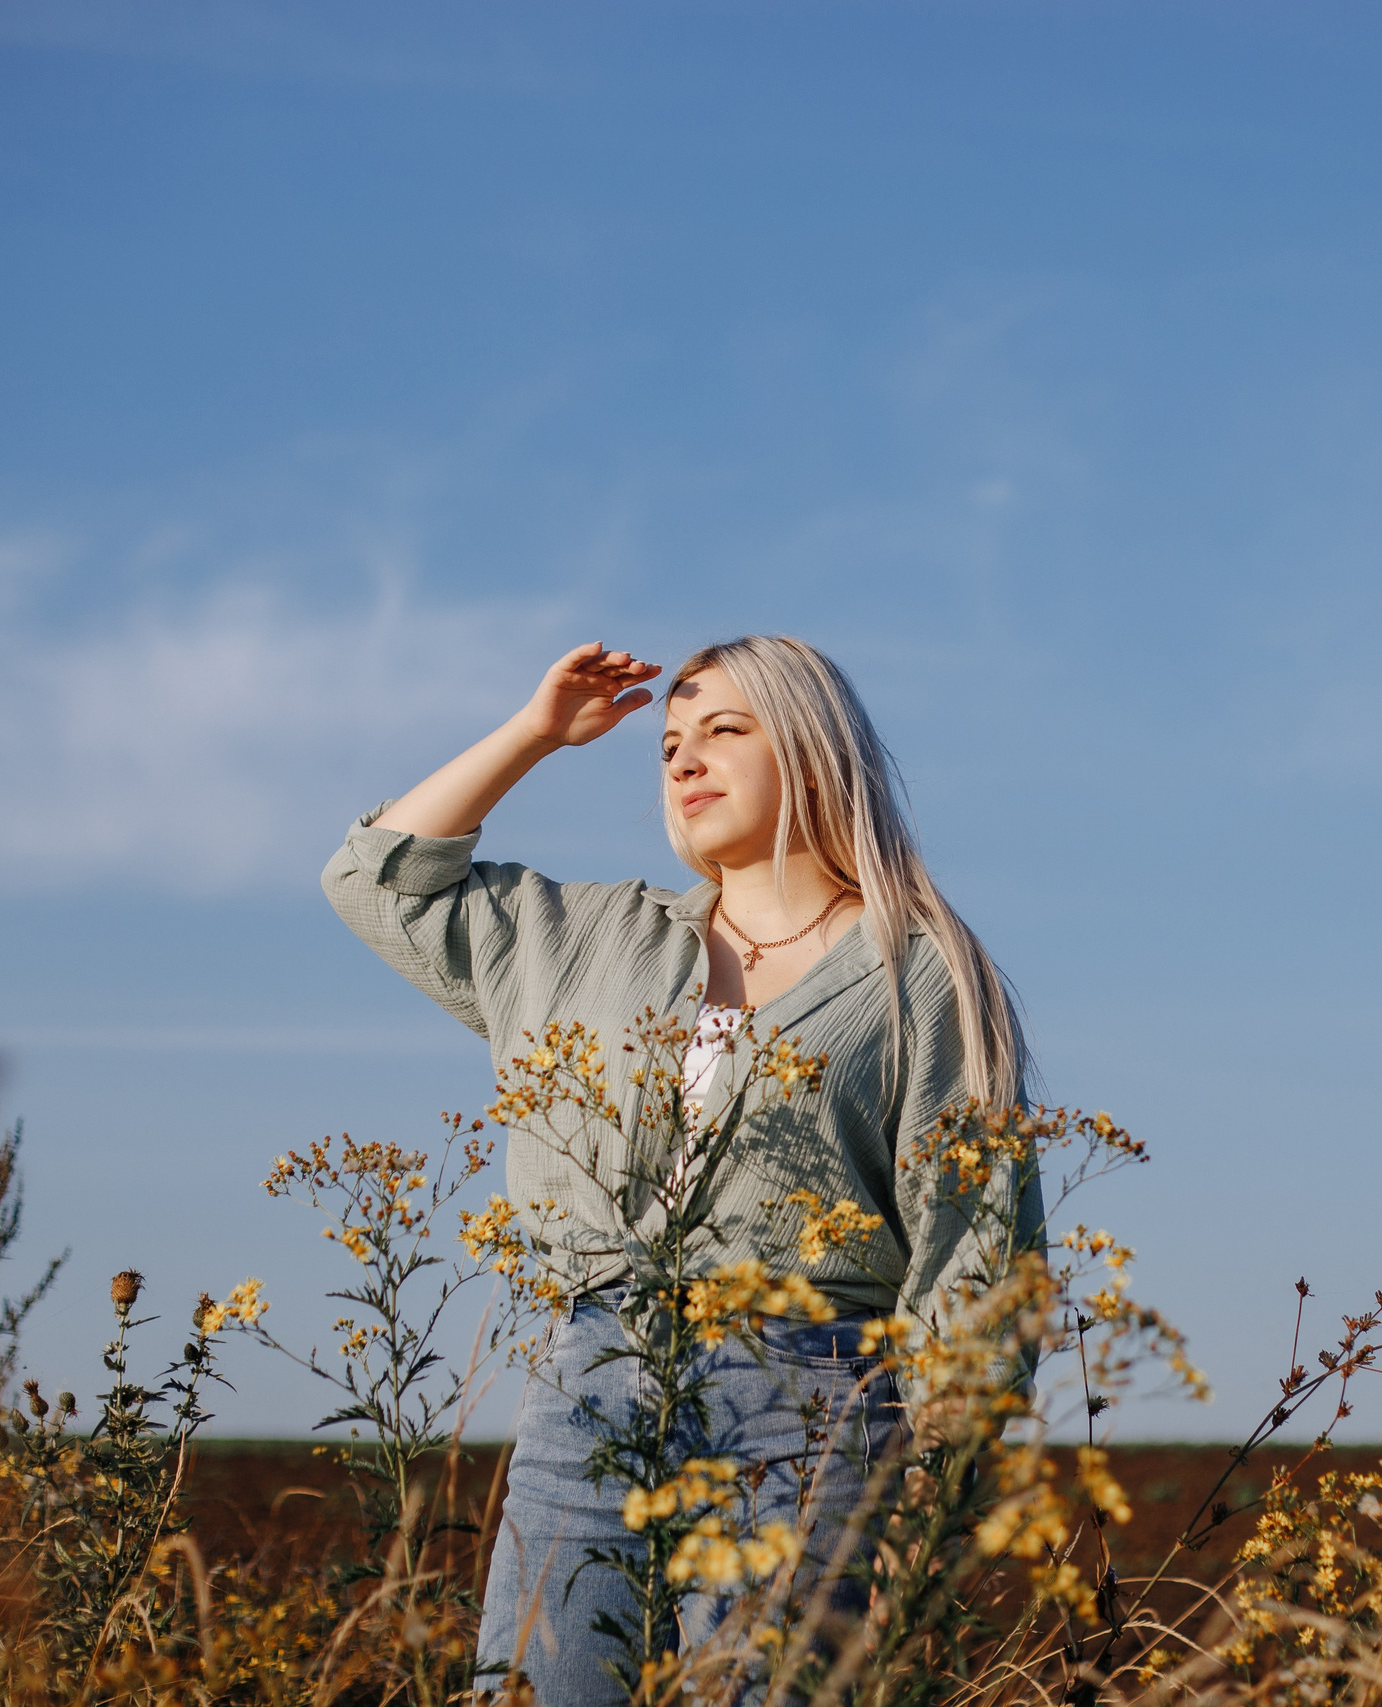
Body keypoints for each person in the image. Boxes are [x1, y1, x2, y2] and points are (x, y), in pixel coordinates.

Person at [322, 635, 1041, 1698]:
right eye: (667, 742)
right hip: (591, 1385)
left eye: (723, 731)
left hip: (812, 1405)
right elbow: (377, 881)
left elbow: (970, 1249)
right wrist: (536, 733)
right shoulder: (593, 937)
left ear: (810, 751)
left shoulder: (917, 969)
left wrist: (932, 1507)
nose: (683, 759)